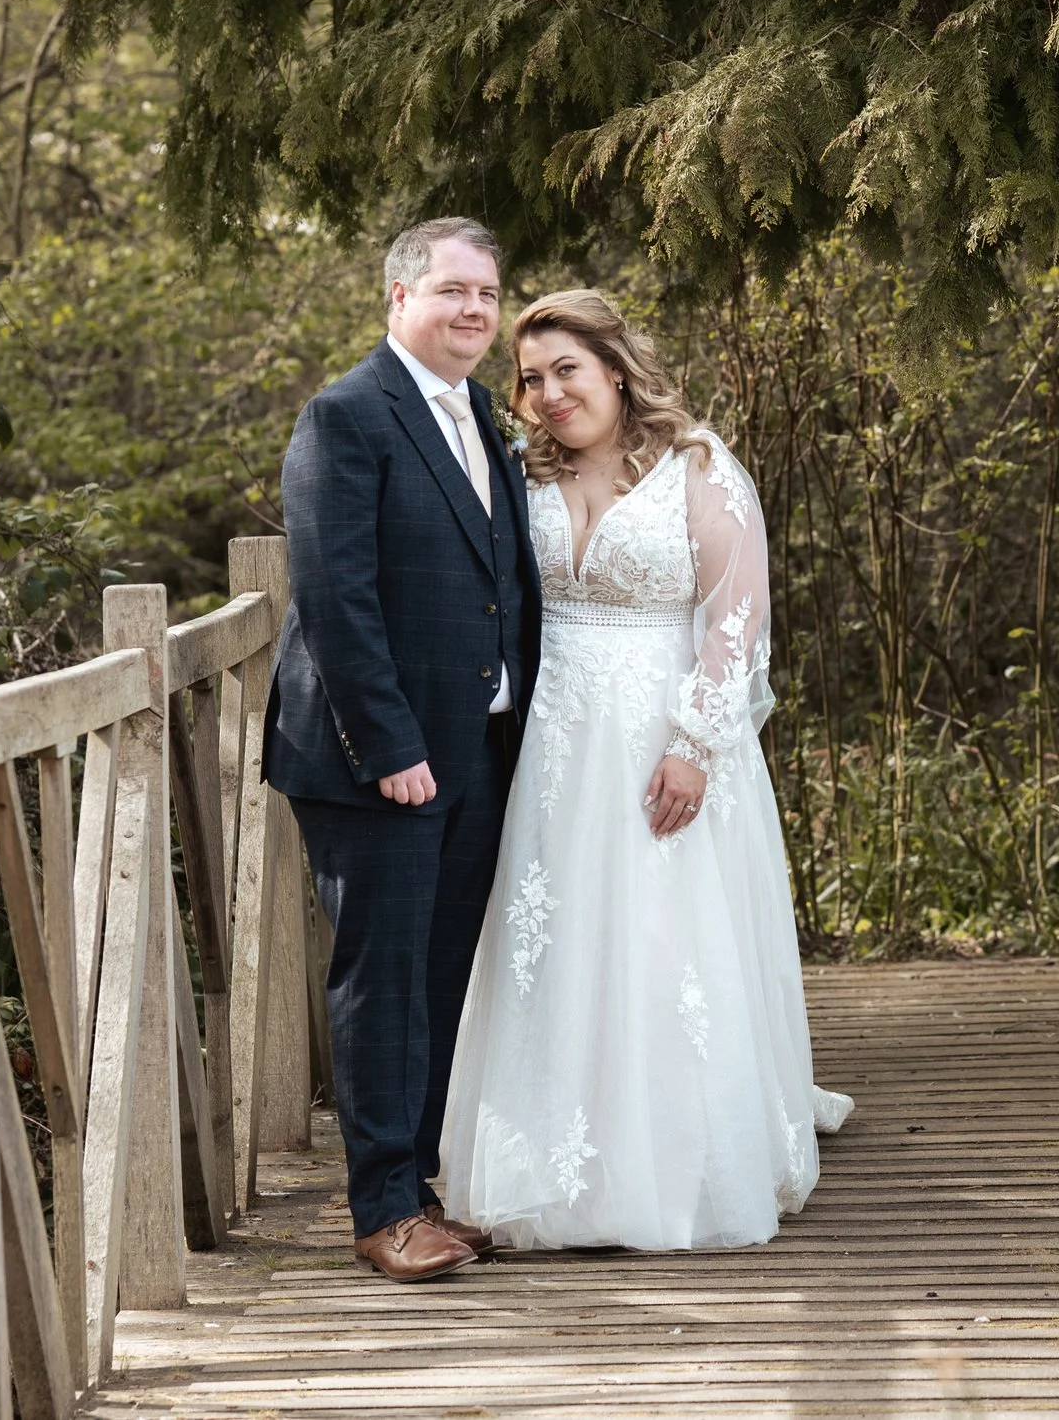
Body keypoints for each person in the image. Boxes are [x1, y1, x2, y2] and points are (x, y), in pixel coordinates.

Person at [438, 288, 850, 1251]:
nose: (548, 394)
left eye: (566, 370)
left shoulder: (696, 466)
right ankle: (549, 1161)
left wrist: (695, 743)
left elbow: (738, 615)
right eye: (531, 379)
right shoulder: (519, 473)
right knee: (557, 936)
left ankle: (675, 1159)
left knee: (664, 936)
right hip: (553, 746)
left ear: (616, 369)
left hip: (664, 736)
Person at [264, 218, 542, 1282]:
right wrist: (388, 745)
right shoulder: (345, 416)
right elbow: (334, 594)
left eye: (487, 293)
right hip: (376, 758)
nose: (474, 309)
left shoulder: (481, 414)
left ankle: (418, 1192)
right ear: (399, 298)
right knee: (382, 979)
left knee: (439, 974)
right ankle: (381, 1210)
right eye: (452, 289)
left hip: (476, 745)